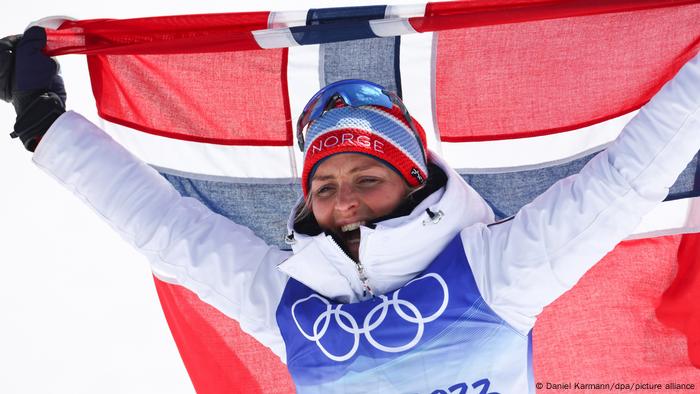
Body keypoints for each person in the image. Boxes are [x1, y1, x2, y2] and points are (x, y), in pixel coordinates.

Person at [3, 26, 700, 393]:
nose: (344, 203)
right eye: (326, 186)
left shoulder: (498, 274)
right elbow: (171, 235)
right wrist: (45, 122)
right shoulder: (293, 298)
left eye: (366, 177)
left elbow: (623, 185)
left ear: (412, 176)